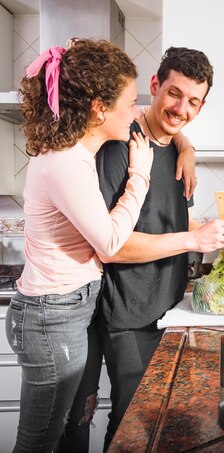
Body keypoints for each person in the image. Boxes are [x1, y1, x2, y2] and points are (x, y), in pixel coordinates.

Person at [60, 47, 224, 452]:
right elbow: (112, 246)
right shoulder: (120, 147)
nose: (180, 108)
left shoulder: (177, 152)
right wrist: (192, 240)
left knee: (151, 423)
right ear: (154, 86)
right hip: (127, 313)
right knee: (131, 424)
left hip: (166, 312)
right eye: (174, 93)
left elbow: (173, 222)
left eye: (192, 101)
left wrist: (221, 231)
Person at [4, 39, 154, 453]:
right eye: (128, 103)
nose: (136, 112)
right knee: (38, 445)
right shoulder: (66, 161)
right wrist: (140, 175)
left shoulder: (76, 152)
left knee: (54, 436)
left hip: (60, 312)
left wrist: (188, 148)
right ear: (98, 107)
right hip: (52, 318)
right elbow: (108, 242)